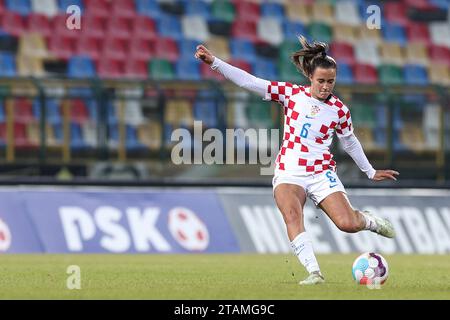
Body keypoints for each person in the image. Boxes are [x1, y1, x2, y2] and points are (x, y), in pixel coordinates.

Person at [194, 36, 399, 285]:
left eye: (331, 82)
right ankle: (314, 272)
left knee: (347, 224)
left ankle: (369, 221)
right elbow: (249, 81)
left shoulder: (339, 110)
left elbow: (350, 141)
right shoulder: (291, 94)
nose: (325, 87)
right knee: (292, 215)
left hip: (321, 172)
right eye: (321, 81)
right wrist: (214, 62)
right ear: (310, 78)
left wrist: (369, 171)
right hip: (289, 170)